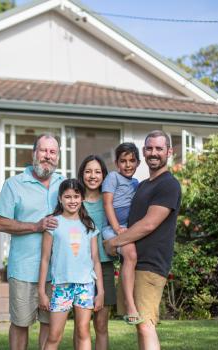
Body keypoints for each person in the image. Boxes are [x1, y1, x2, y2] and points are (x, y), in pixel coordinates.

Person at [104, 130, 181, 350]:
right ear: (144, 152)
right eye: (149, 148)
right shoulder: (143, 184)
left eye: (159, 148)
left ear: (169, 151)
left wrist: (113, 243)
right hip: (136, 263)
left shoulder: (168, 184)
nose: (154, 153)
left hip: (151, 264)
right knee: (141, 325)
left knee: (146, 324)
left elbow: (149, 224)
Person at [0, 134, 64, 350]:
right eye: (44, 151)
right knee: (20, 323)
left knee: (48, 323)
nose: (48, 156)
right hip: (24, 269)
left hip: (56, 270)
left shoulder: (64, 185)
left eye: (53, 152)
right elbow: (1, 223)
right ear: (34, 153)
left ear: (58, 157)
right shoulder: (14, 184)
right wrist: (35, 226)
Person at [38, 179, 104, 350]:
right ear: (60, 198)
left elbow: (95, 260)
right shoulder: (53, 223)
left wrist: (100, 291)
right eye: (67, 197)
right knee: (54, 335)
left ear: (82, 198)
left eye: (76, 196)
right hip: (61, 286)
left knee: (83, 332)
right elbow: (45, 259)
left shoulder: (89, 225)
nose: (72, 200)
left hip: (85, 285)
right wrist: (41, 292)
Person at [78, 155, 116, 349]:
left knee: (101, 324)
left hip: (105, 265)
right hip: (79, 268)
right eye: (88, 171)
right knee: (81, 326)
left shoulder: (109, 201)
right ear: (82, 174)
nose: (93, 176)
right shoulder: (75, 201)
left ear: (104, 175)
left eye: (97, 172)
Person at [102, 143, 141, 325]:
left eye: (132, 161)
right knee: (131, 254)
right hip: (112, 227)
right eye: (123, 161)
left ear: (138, 163)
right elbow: (108, 204)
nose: (127, 165)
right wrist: (117, 228)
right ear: (117, 163)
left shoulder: (136, 183)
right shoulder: (112, 177)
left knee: (131, 257)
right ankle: (129, 303)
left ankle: (129, 299)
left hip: (128, 226)